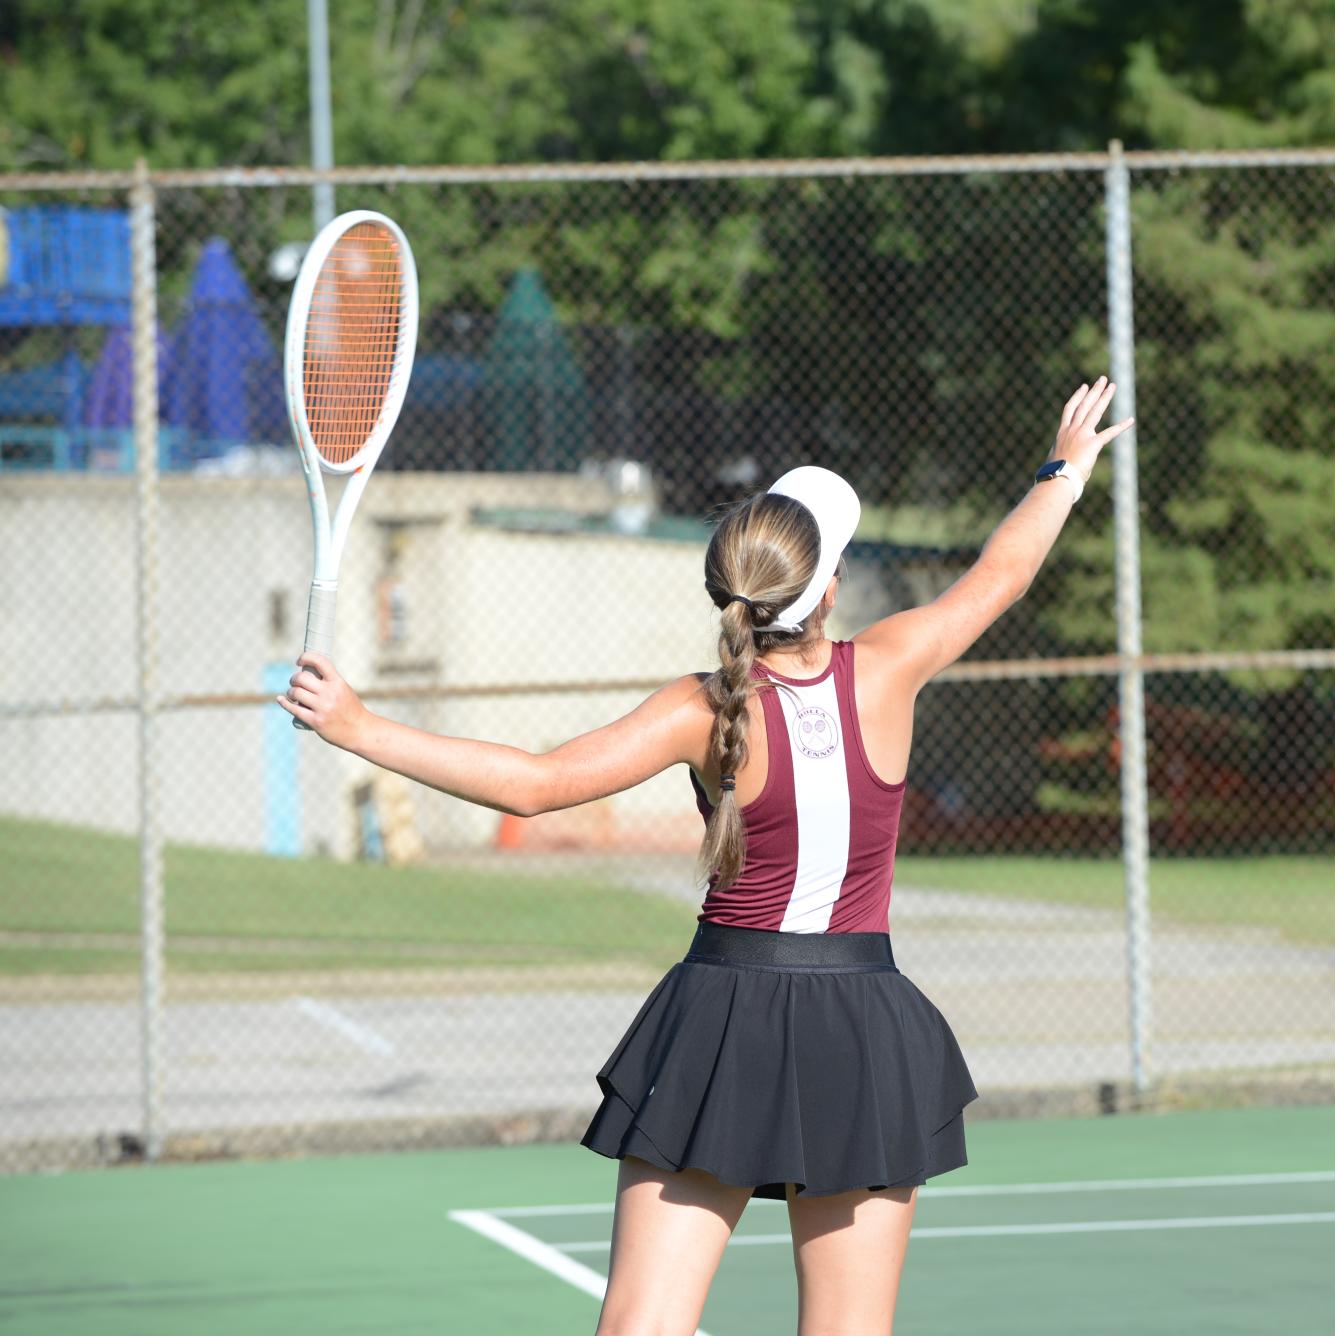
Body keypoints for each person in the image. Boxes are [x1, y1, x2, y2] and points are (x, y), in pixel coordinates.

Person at [279, 376, 1136, 1336]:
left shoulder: (701, 707)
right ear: (831, 587)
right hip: (859, 1021)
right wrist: (1063, 469)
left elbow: (532, 782)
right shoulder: (890, 665)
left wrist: (359, 727)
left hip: (722, 1015)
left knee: (640, 1324)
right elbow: (1003, 573)